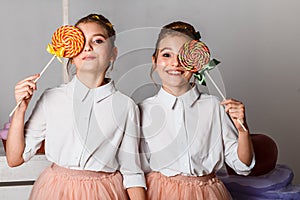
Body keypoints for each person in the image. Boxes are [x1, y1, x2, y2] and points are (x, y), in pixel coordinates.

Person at [6, 14, 146, 200]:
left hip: (104, 193)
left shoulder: (126, 106)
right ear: (70, 55)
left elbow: (132, 171)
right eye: (81, 41)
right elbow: (15, 159)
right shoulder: (51, 98)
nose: (87, 47)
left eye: (97, 40)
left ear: (113, 54)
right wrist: (20, 109)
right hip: (55, 192)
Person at [139, 21, 255, 199]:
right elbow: (136, 167)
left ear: (197, 63)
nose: (175, 63)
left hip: (207, 194)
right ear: (154, 61)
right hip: (159, 193)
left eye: (183, 56)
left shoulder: (214, 107)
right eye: (167, 54)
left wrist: (243, 131)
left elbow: (243, 166)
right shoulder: (142, 110)